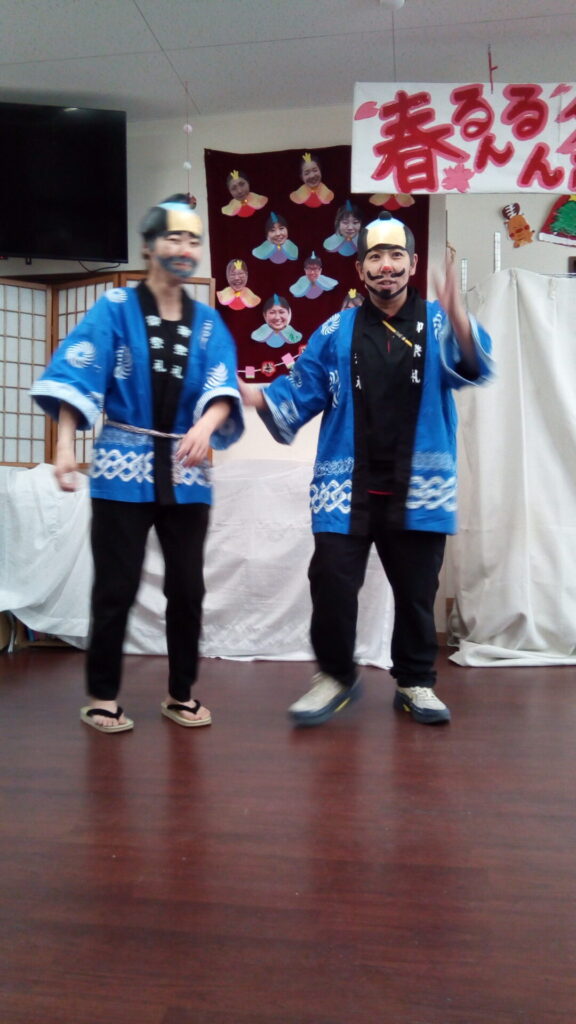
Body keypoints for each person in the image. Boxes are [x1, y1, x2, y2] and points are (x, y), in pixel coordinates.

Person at [239, 212, 493, 727]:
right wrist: (247, 394)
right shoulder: (335, 330)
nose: (386, 266)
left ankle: (415, 682)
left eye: (396, 255)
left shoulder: (439, 322)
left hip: (417, 485)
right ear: (360, 270)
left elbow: (473, 364)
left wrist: (460, 317)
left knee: (417, 593)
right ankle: (334, 676)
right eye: (375, 257)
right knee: (331, 584)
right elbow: (299, 391)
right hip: (346, 487)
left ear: (413, 264)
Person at [30, 195, 244, 733]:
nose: (184, 248)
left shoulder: (208, 322)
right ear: (148, 246)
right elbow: (76, 373)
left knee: (188, 590)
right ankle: (103, 696)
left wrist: (206, 425)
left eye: (193, 240)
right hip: (120, 466)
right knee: (115, 587)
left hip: (187, 471)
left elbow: (223, 387)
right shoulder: (114, 309)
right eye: (173, 237)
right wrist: (64, 447)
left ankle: (181, 693)